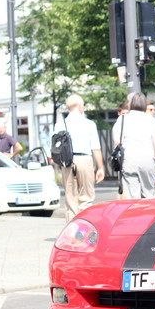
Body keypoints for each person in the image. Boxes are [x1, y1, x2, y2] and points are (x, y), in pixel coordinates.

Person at [54, 94, 105, 222]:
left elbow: (56, 148)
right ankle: (85, 229)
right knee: (86, 198)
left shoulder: (60, 125)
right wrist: (100, 168)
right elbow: (96, 148)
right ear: (80, 106)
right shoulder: (89, 124)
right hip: (84, 160)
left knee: (71, 200)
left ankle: (71, 234)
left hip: (67, 161)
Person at [113, 92, 155, 199]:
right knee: (148, 194)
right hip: (147, 158)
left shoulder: (122, 119)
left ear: (131, 103)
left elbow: (117, 141)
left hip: (129, 159)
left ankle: (134, 214)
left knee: (132, 196)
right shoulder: (151, 120)